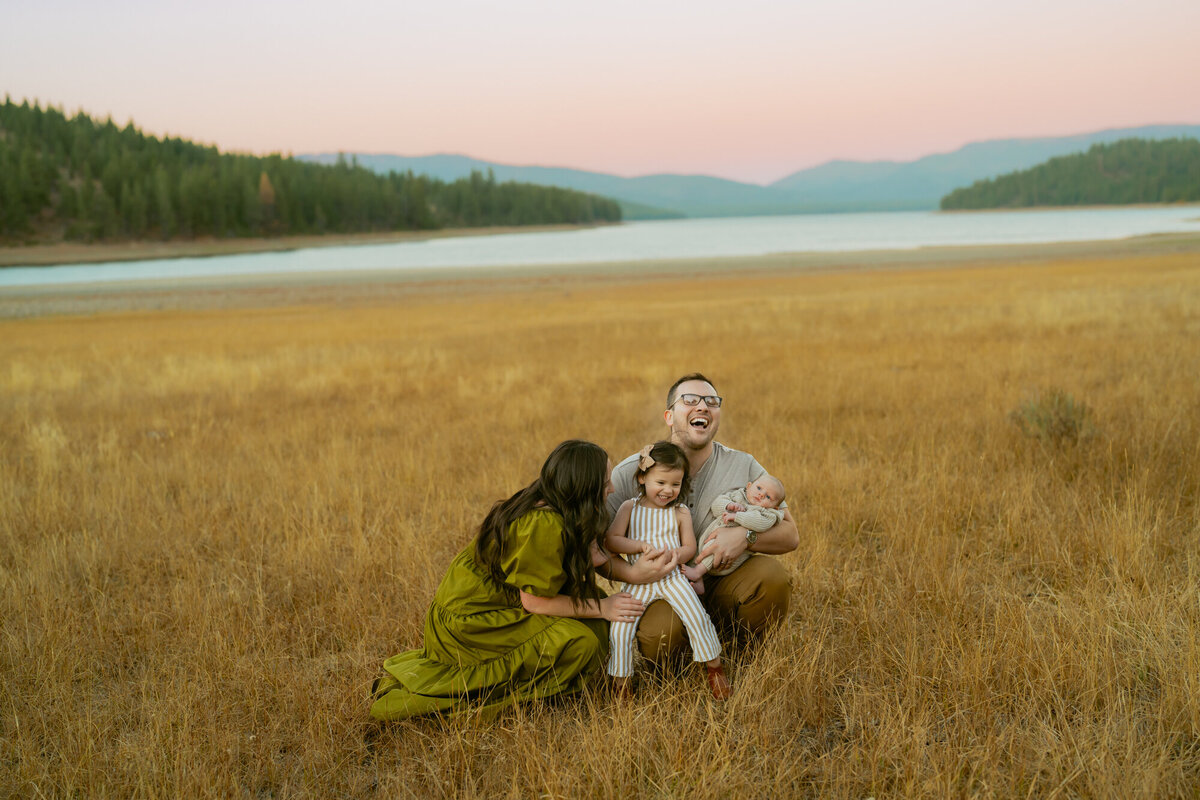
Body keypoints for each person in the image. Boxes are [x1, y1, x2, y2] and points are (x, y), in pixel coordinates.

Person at [369, 440, 677, 721]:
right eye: (604, 482)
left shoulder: (562, 506)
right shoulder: (542, 523)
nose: (610, 489)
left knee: (596, 626)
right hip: (473, 624)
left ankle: (557, 681)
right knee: (581, 641)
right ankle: (513, 699)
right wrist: (604, 606)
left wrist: (634, 575)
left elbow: (596, 558)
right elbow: (535, 600)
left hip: (505, 603)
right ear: (582, 487)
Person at [606, 374, 799, 666]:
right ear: (669, 416)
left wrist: (746, 537)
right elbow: (595, 547)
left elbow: (791, 534)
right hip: (660, 588)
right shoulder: (634, 470)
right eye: (690, 400)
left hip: (723, 581)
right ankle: (684, 658)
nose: (703, 407)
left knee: (771, 579)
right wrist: (632, 575)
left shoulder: (744, 465)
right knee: (662, 637)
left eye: (712, 402)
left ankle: (739, 650)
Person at [604, 441, 731, 699]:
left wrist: (674, 555)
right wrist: (639, 546)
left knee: (696, 616)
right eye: (660, 482)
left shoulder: (680, 511)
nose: (667, 490)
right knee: (621, 628)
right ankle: (621, 681)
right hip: (638, 580)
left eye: (675, 484)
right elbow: (612, 540)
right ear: (642, 477)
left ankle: (714, 668)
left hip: (673, 576)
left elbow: (689, 548)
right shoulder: (630, 507)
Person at [682, 475, 787, 592]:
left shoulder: (768, 514)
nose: (761, 494)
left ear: (776, 507)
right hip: (710, 538)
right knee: (704, 550)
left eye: (768, 497)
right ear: (749, 486)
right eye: (758, 488)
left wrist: (737, 516)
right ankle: (699, 581)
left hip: (729, 556)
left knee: (716, 547)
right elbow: (716, 506)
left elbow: (758, 523)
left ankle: (697, 572)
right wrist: (728, 506)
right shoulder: (737, 496)